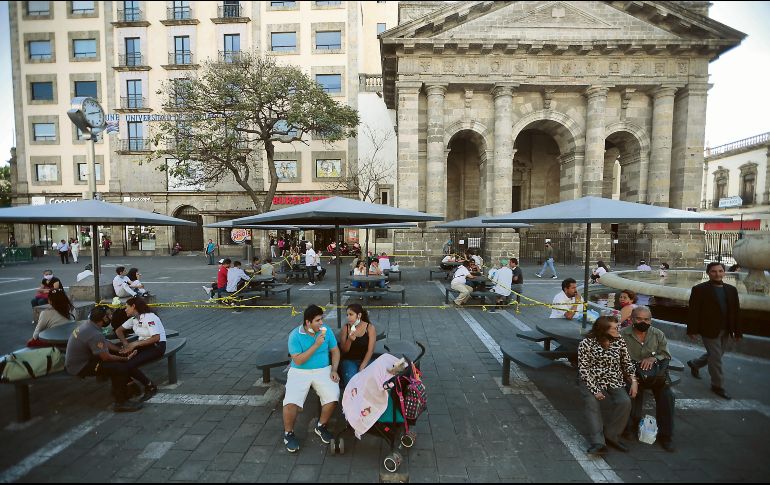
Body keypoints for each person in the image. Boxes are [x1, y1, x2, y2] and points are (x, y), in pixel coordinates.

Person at [282, 305, 340, 453]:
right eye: (318, 320)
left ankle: (321, 425)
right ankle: (288, 433)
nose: (322, 323)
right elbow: (299, 360)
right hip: (299, 371)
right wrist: (316, 345)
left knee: (333, 396)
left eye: (322, 319)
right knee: (290, 401)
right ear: (308, 322)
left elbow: (335, 351)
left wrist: (334, 369)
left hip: (323, 369)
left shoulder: (326, 331)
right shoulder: (295, 335)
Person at [578, 315, 637, 455]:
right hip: (590, 378)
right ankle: (598, 442)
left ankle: (612, 435)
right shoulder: (586, 343)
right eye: (615, 328)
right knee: (592, 402)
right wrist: (595, 389)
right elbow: (584, 369)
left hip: (613, 378)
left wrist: (634, 381)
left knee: (624, 402)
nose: (618, 330)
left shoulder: (619, 340)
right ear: (603, 330)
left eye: (618, 327)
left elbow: (627, 362)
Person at [65, 306, 143, 412]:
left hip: (81, 359)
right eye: (109, 315)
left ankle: (125, 387)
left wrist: (120, 350)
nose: (111, 317)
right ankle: (120, 402)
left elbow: (104, 342)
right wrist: (124, 358)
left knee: (117, 360)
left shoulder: (89, 325)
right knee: (119, 368)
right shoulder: (94, 334)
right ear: (103, 318)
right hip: (80, 366)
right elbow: (106, 357)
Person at [620, 306, 676, 452]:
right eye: (639, 318)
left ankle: (666, 436)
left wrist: (653, 358)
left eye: (646, 319)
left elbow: (666, 354)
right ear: (632, 319)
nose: (643, 322)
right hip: (633, 375)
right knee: (631, 392)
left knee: (668, 396)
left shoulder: (658, 334)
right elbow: (617, 357)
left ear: (651, 320)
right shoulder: (623, 334)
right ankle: (629, 428)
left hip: (655, 375)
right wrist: (631, 376)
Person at [686, 262, 741, 400]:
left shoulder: (731, 290)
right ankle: (718, 385)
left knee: (716, 355)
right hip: (708, 329)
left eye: (720, 271)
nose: (717, 274)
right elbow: (694, 311)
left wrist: (737, 331)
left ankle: (695, 363)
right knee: (716, 357)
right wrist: (692, 329)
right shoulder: (699, 289)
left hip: (726, 329)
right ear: (708, 273)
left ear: (724, 272)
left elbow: (736, 312)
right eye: (714, 271)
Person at [114, 297, 167, 402]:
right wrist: (125, 344)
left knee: (130, 364)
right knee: (121, 361)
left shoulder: (149, 317)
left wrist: (134, 344)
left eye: (127, 307)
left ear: (133, 306)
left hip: (157, 346)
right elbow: (118, 330)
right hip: (143, 345)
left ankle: (150, 386)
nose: (125, 310)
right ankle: (131, 385)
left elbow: (156, 338)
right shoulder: (134, 319)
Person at [338, 303, 377, 386]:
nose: (348, 317)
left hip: (365, 360)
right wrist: (349, 340)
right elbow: (344, 351)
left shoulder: (369, 328)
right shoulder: (346, 328)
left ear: (359, 315)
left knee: (371, 381)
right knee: (351, 381)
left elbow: (370, 350)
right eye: (347, 315)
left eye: (351, 314)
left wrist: (362, 366)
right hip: (349, 360)